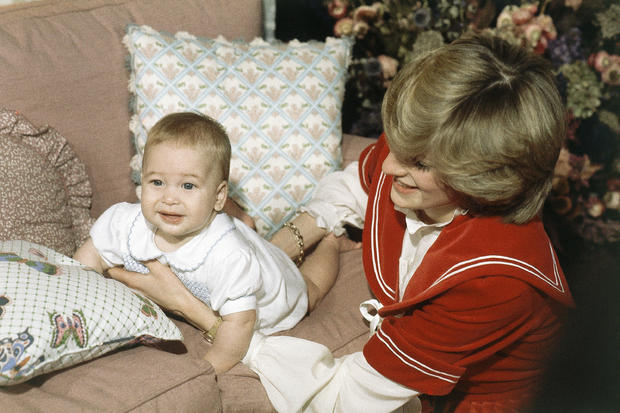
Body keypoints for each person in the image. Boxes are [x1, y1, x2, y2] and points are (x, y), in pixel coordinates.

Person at [105, 33, 575, 412]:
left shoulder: (493, 280)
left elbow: (342, 398)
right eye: (399, 144)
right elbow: (359, 181)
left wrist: (194, 309)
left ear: (483, 178)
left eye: (420, 165)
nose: (390, 168)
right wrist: (285, 243)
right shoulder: (416, 156)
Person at [73, 112, 343, 373]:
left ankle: (333, 239)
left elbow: (239, 324)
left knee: (310, 290)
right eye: (157, 182)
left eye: (187, 186)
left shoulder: (229, 256)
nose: (169, 198)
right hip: (235, 245)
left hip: (272, 290)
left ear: (219, 197)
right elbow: (90, 257)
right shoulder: (124, 222)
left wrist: (209, 368)